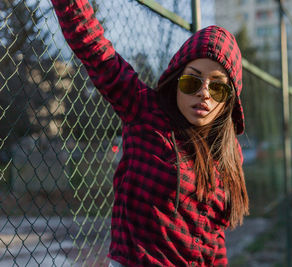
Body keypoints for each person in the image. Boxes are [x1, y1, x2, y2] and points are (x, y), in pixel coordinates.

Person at [51, 0, 249, 266]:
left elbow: (214, 239)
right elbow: (94, 48)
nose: (204, 93)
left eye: (218, 88)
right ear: (177, 79)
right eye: (193, 80)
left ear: (228, 101)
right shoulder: (145, 111)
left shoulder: (228, 152)